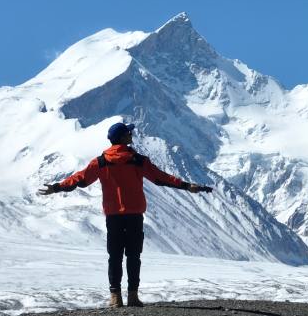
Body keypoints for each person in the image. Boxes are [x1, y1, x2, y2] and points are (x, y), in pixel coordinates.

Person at [39, 122, 210, 308]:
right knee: (134, 256)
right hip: (134, 214)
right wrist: (186, 186)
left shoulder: (101, 162)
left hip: (113, 216)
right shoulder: (137, 160)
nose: (131, 134)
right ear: (122, 138)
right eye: (128, 132)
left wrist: (56, 188)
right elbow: (161, 178)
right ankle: (133, 297)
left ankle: (115, 298)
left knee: (115, 256)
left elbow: (80, 179)